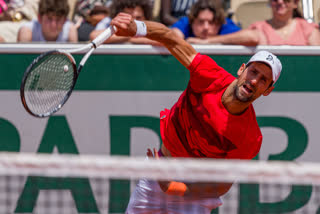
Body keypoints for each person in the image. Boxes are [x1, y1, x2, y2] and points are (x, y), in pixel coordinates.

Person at [110, 12, 282, 213]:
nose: (254, 81)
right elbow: (170, 38)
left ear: (268, 90)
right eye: (253, 72)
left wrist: (176, 188)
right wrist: (137, 28)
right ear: (242, 69)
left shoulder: (250, 138)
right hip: (159, 171)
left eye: (263, 80)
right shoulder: (209, 76)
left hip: (194, 193)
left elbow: (222, 185)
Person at [190, 0, 320, 45]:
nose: (280, 2)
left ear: (295, 3)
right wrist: (206, 41)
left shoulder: (308, 29)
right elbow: (251, 37)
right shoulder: (261, 27)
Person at [89, 0, 159, 45]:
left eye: (138, 18)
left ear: (146, 17)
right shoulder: (108, 22)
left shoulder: (151, 26)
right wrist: (131, 35)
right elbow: (94, 36)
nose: (134, 22)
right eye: (129, 18)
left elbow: (161, 40)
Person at [171, 0, 240, 43]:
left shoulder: (225, 24)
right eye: (201, 21)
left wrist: (207, 41)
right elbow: (167, 38)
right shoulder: (186, 23)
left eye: (211, 22)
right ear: (192, 22)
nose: (206, 27)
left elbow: (250, 36)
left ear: (219, 23)